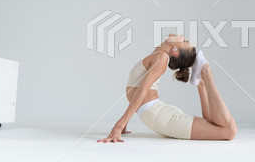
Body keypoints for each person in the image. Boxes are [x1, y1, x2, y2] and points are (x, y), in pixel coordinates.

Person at [97, 33, 237, 143]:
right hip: (161, 115)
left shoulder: (162, 57)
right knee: (214, 124)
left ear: (175, 50)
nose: (181, 35)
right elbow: (137, 90)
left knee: (229, 131)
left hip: (162, 117)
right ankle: (200, 83)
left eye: (184, 40)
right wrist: (125, 122)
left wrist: (119, 125)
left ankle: (206, 74)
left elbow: (141, 91)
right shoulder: (158, 55)